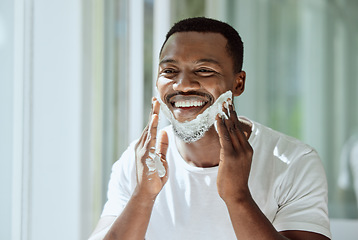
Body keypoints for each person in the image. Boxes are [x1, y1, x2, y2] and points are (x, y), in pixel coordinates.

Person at [89, 17, 331, 240]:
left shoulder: (295, 162)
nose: (182, 85)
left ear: (238, 83)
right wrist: (142, 197)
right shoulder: (138, 162)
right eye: (169, 71)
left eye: (204, 70)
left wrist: (238, 197)